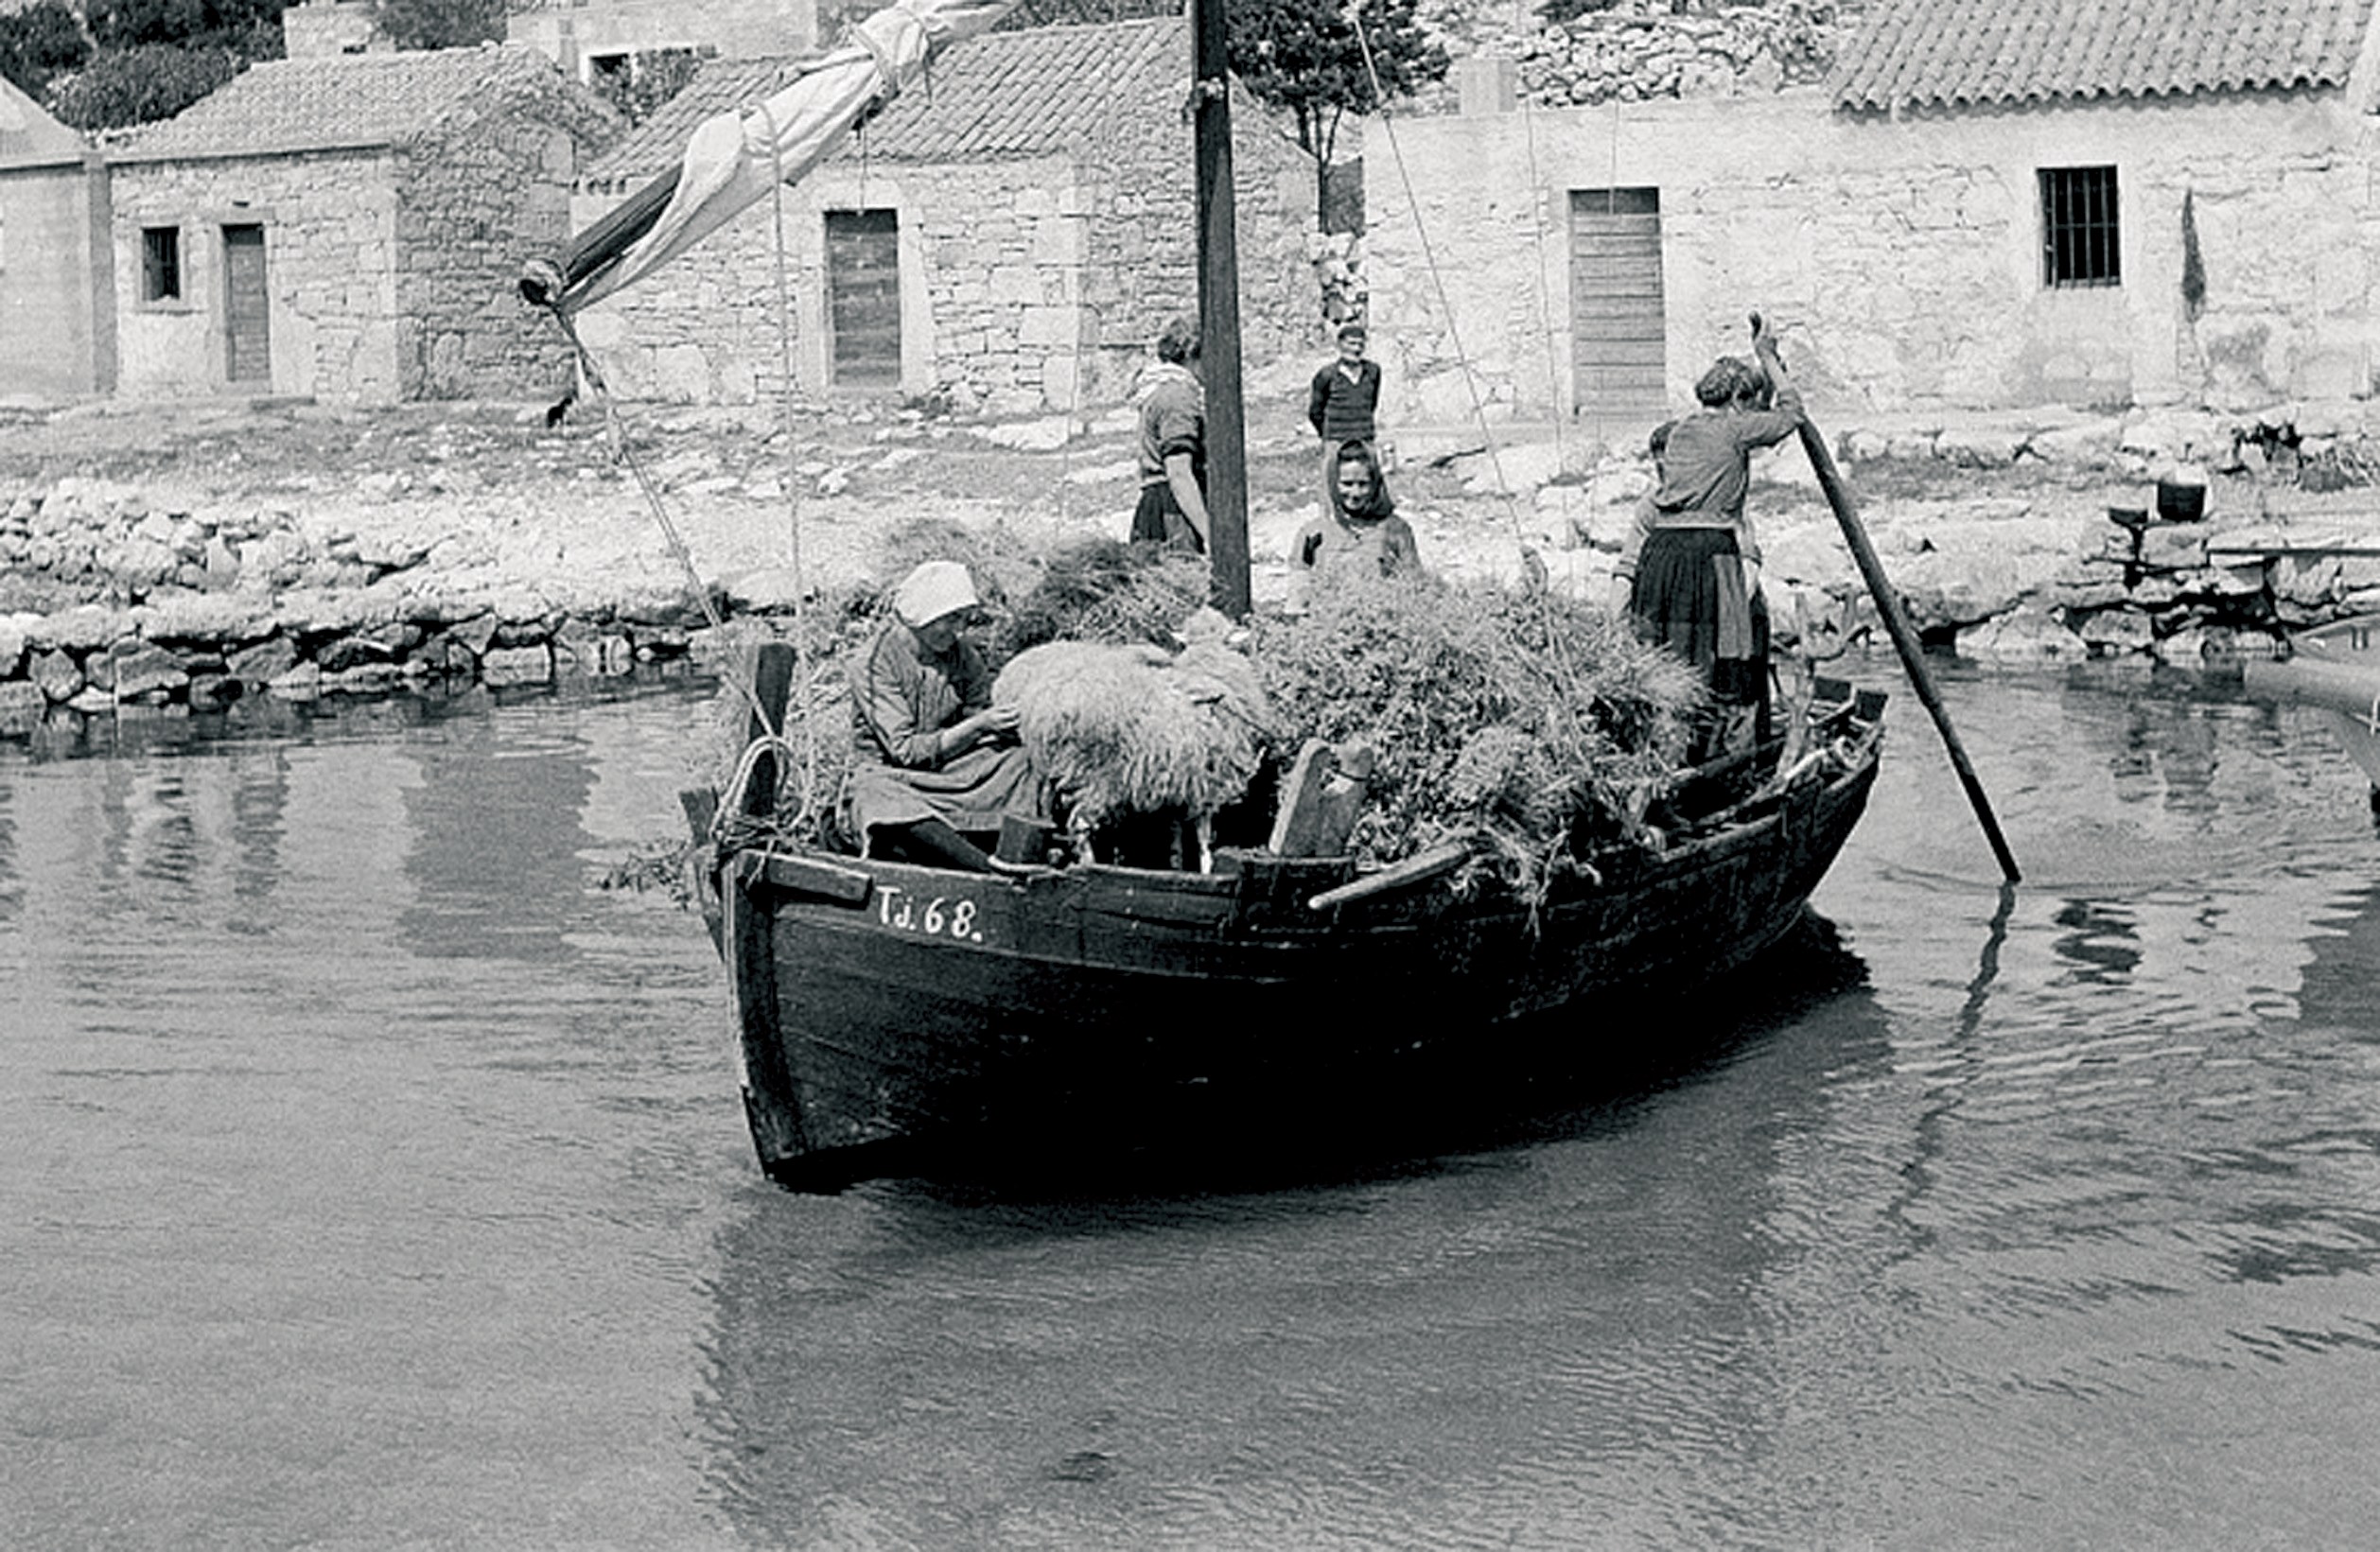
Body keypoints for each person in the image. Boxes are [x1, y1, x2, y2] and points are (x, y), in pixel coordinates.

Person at [1614, 315, 1804, 759]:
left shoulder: (1682, 430)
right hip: (1707, 554)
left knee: (1670, 661)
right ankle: (1726, 760)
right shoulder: (1734, 428)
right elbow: (1791, 414)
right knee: (1729, 657)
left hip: (1661, 555)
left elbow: (1761, 420)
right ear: (1738, 400)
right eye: (1748, 401)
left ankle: (1669, 759)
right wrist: (1768, 357)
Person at [846, 560, 1043, 866]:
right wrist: (978, 726)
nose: (958, 630)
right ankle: (984, 866)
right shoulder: (872, 664)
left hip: (952, 771)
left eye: (964, 620)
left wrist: (1003, 724)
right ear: (923, 613)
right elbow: (905, 751)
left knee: (1022, 762)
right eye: (950, 619)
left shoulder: (964, 657)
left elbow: (978, 712)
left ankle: (1020, 847)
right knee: (875, 795)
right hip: (894, 777)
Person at [1132, 316, 1209, 553]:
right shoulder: (1178, 397)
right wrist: (1211, 534)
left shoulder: (1162, 390)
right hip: (1173, 513)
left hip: (1159, 505)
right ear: (1192, 354)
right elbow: (1179, 473)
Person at [1294, 439, 1420, 580]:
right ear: (1333, 482)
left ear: (1375, 484)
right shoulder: (1313, 533)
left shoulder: (1396, 529)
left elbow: (1414, 583)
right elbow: (1299, 585)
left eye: (1363, 484)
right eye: (1347, 484)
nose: (1355, 493)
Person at [1306, 318, 1382, 506]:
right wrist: (1328, 435)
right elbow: (1315, 411)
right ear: (1340, 345)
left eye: (1360, 344)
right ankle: (1330, 528)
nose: (1356, 349)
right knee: (1332, 487)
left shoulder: (1373, 371)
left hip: (1365, 438)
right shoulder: (1327, 375)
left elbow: (1371, 403)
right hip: (1336, 440)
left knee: (1369, 486)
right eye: (1351, 344)